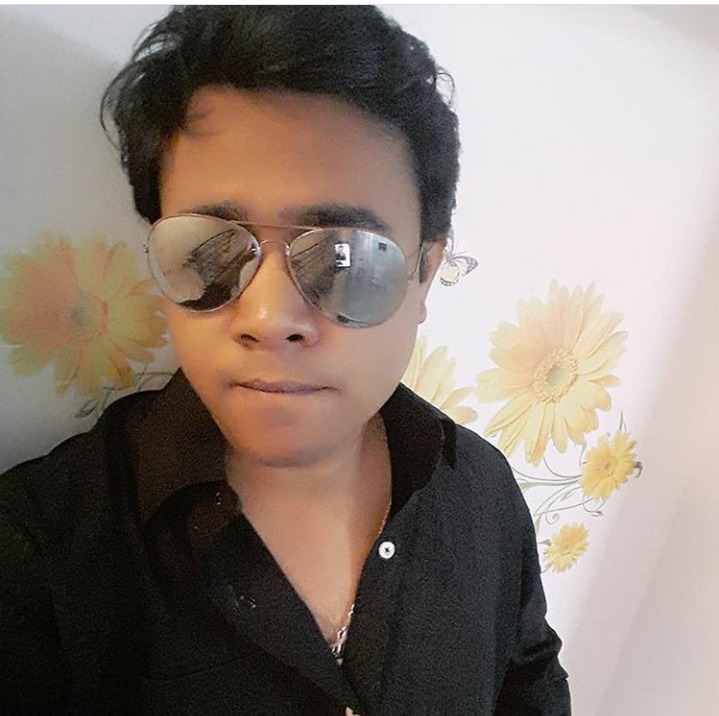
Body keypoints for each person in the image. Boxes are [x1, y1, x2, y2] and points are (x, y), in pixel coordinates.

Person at [0, 6, 570, 715]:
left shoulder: (481, 493)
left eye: (345, 256)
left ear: (424, 273)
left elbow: (529, 684)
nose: (268, 318)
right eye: (208, 248)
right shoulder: (38, 559)